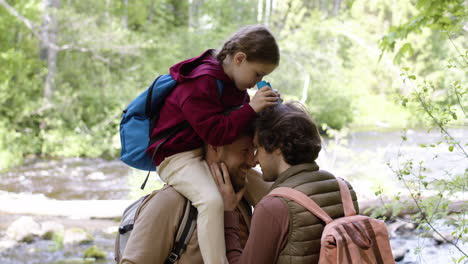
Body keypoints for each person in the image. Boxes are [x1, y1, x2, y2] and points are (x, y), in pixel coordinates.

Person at [146, 25, 280, 264]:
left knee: (269, 190)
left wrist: (266, 108)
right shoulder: (200, 81)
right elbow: (217, 133)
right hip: (174, 156)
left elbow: (236, 127)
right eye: (257, 74)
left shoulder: (234, 85)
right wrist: (251, 107)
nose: (257, 81)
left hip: (208, 152)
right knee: (210, 201)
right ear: (240, 59)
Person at [210, 102, 359, 264]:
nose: (255, 160)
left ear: (277, 147)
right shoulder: (344, 189)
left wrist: (228, 213)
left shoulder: (274, 206)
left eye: (257, 148)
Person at [120, 127, 268, 264]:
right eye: (244, 151)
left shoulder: (240, 200)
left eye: (254, 151)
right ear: (215, 147)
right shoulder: (170, 203)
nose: (252, 161)